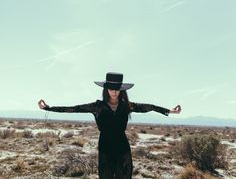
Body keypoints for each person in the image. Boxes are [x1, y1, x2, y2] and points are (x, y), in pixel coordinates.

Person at [38, 72, 181, 179]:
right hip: (105, 146)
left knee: (124, 175)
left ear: (121, 90)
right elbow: (73, 108)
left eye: (117, 88)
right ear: (106, 89)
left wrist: (170, 111)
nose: (114, 91)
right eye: (111, 88)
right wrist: (48, 108)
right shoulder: (98, 106)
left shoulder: (126, 106)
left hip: (122, 146)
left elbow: (148, 107)